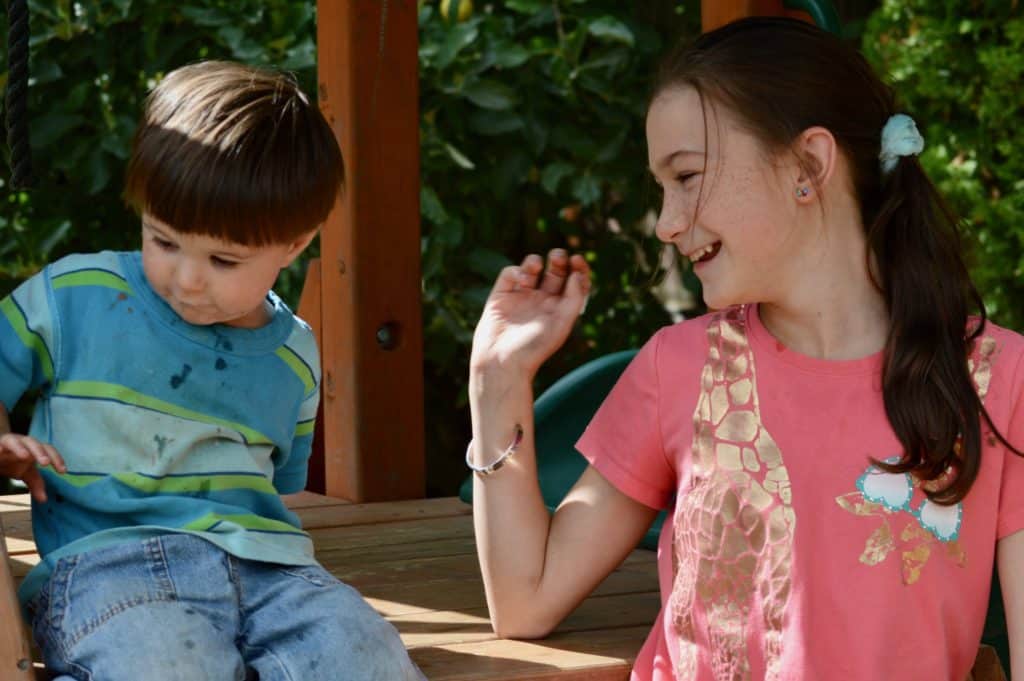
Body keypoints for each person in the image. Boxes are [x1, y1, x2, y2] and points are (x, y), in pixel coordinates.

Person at [467, 17, 1024, 681]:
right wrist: (497, 378)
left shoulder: (998, 379)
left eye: (688, 175)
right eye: (661, 189)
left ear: (809, 165)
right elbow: (524, 599)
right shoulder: (680, 368)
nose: (669, 224)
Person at [0, 61, 423, 681]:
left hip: (274, 572)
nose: (186, 278)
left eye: (224, 259)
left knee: (367, 655)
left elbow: (276, 483)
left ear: (297, 243)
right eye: (163, 240)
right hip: (108, 566)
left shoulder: (292, 355)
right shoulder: (74, 295)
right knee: (163, 664)